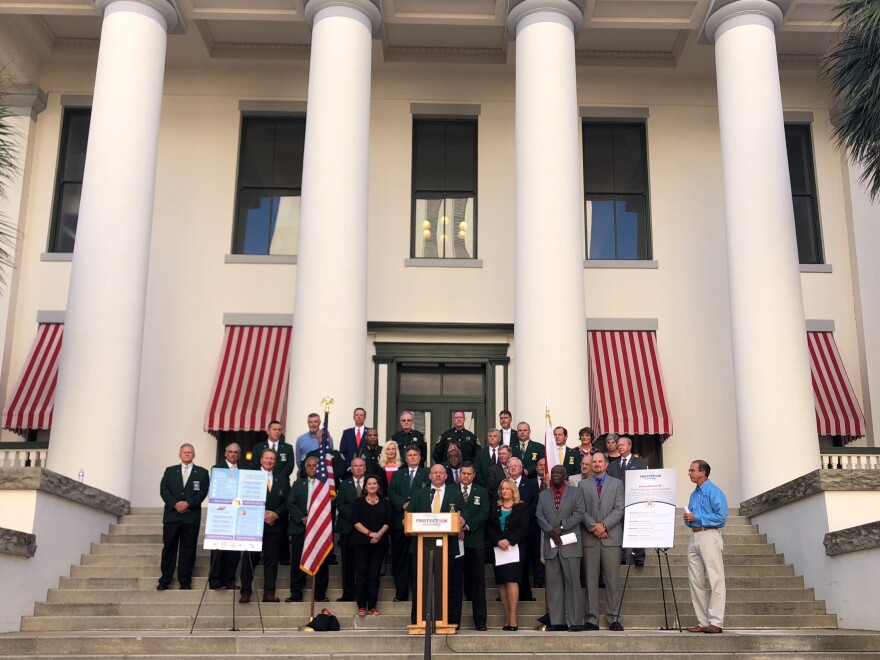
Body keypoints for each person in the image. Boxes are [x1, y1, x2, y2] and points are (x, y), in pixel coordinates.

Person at [407, 464, 466, 625]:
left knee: (449, 584)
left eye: (441, 473)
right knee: (420, 585)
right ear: (430, 476)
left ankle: (449, 620)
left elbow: (464, 512)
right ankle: (419, 620)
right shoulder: (419, 494)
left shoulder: (455, 494)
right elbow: (409, 515)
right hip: (421, 547)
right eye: (435, 473)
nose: (438, 475)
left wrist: (462, 520)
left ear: (446, 476)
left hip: (448, 547)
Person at [580, 452, 625, 631]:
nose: (597, 464)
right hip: (590, 538)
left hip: (610, 537)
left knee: (612, 580)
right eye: (594, 462)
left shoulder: (617, 484)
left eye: (600, 461)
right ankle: (591, 619)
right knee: (590, 580)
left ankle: (614, 618)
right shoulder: (583, 485)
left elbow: (619, 508)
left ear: (607, 464)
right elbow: (580, 509)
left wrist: (604, 525)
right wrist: (594, 527)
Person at [537, 464, 585, 631]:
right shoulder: (543, 495)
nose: (555, 475)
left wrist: (562, 528)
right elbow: (539, 515)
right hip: (551, 544)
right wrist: (551, 531)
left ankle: (576, 621)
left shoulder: (575, 492)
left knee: (573, 583)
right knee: (554, 584)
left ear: (565, 476)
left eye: (559, 472)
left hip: (570, 543)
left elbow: (579, 513)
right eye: (553, 472)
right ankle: (557, 621)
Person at [239, 448, 289, 603]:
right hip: (253, 525)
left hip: (274, 526)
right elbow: (242, 498)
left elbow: (287, 502)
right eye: (266, 458)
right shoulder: (250, 477)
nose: (269, 461)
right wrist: (261, 513)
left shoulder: (282, 479)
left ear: (275, 461)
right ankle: (245, 592)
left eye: (272, 459)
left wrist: (276, 514)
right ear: (261, 460)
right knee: (249, 559)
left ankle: (269, 593)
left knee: (271, 561)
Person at [684, 459, 728, 634]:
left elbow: (721, 517)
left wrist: (697, 518)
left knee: (716, 578)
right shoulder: (694, 494)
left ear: (703, 472)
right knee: (695, 580)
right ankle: (702, 621)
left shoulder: (714, 491)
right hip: (695, 536)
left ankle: (716, 621)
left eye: (692, 470)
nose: (689, 473)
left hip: (710, 535)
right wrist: (689, 519)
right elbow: (692, 516)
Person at [158, 443, 209, 591]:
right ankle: (165, 579)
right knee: (169, 548)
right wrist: (175, 504)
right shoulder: (169, 471)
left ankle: (185, 581)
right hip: (172, 516)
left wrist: (188, 504)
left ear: (194, 455)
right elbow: (164, 490)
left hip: (190, 517)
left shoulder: (202, 473)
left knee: (188, 549)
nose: (187, 454)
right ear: (180, 455)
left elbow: (202, 492)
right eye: (184, 452)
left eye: (190, 452)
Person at [487, 478, 530, 630]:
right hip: (498, 549)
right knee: (502, 582)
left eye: (507, 488)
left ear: (513, 491)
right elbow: (490, 527)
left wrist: (509, 541)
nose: (504, 491)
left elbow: (524, 528)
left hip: (515, 549)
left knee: (512, 581)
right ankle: (507, 618)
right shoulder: (495, 507)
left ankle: (513, 619)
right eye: (502, 488)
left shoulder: (521, 507)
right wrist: (499, 541)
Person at [285, 456, 329, 602]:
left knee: (321, 560)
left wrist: (317, 520)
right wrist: (303, 518)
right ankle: (296, 593)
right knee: (298, 560)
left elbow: (329, 505)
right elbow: (290, 503)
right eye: (309, 466)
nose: (311, 468)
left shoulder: (325, 485)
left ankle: (320, 594)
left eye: (314, 465)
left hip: (319, 529)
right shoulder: (298, 484)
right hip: (300, 528)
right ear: (305, 468)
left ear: (319, 467)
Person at [388, 445, 428, 602]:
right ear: (405, 458)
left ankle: (419, 593)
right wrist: (403, 504)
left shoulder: (426, 474)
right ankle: (401, 593)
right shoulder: (399, 474)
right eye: (409, 455)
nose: (412, 457)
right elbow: (391, 491)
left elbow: (429, 492)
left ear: (420, 458)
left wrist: (413, 505)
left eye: (415, 455)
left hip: (420, 524)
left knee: (418, 560)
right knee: (400, 559)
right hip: (400, 523)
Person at [351, 474, 392, 616]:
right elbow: (355, 522)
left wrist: (378, 534)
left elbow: (388, 521)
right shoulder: (358, 502)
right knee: (362, 574)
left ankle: (372, 606)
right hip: (361, 543)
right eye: (370, 483)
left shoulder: (385, 502)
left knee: (374, 575)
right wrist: (370, 534)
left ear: (378, 486)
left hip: (379, 544)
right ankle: (361, 606)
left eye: (375, 483)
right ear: (366, 486)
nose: (372, 486)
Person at [457, 462, 489, 630]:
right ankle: (454, 621)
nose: (466, 476)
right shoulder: (451, 490)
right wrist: (457, 527)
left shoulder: (481, 492)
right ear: (459, 474)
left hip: (474, 541)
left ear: (474, 475)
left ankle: (481, 621)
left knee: (477, 583)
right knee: (456, 582)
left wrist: (467, 526)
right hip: (456, 542)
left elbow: (484, 513)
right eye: (463, 473)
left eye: (469, 474)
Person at [607, 435, 647, 566]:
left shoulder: (639, 462)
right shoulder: (612, 465)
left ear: (629, 446)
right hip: (617, 502)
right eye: (618, 445)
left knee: (637, 529)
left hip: (634, 501)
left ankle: (639, 557)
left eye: (622, 445)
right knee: (620, 529)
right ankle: (622, 557)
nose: (619, 447)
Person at [209, 442, 243, 590]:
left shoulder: (243, 471)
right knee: (218, 548)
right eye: (230, 452)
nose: (233, 454)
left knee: (233, 550)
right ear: (225, 453)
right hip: (221, 515)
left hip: (236, 516)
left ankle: (229, 579)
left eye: (236, 452)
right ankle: (215, 580)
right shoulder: (217, 469)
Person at [334, 457, 367, 602]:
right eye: (355, 466)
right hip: (347, 529)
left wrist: (363, 520)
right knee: (347, 563)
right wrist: (356, 519)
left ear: (365, 468)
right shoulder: (344, 484)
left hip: (367, 530)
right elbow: (340, 505)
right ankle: (348, 593)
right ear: (351, 469)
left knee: (363, 564)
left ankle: (362, 594)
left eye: (361, 466)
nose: (358, 468)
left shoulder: (371, 483)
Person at [507, 457, 539, 601]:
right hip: (508, 531)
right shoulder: (504, 484)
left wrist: (522, 518)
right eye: (510, 466)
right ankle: (508, 593)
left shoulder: (531, 484)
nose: (513, 468)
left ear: (521, 468)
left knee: (525, 563)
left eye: (516, 466)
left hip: (527, 530)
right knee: (508, 564)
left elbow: (534, 503)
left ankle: (525, 593)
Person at [339, 407, 368, 472]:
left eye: (361, 415)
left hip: (366, 471)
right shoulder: (346, 433)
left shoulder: (370, 432)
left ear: (365, 418)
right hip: (349, 471)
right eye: (357, 415)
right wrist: (349, 467)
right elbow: (342, 452)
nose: (359, 417)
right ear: (353, 417)